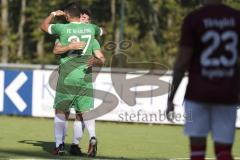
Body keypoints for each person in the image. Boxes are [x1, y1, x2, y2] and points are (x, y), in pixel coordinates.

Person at [166, 0, 240, 159]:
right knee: (223, 151)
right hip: (228, 92)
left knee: (197, 151)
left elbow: (182, 62)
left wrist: (171, 98)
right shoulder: (236, 17)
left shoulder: (194, 18)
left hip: (198, 92)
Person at [40, 3, 105, 157]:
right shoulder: (91, 30)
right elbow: (102, 31)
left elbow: (43, 26)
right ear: (80, 16)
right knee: (85, 112)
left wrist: (54, 14)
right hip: (85, 77)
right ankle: (93, 137)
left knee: (61, 111)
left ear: (67, 15)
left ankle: (59, 145)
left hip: (67, 77)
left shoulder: (62, 29)